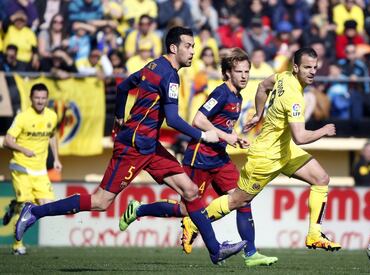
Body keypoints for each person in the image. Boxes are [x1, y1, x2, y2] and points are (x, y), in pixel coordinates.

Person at [14, 27, 246, 265]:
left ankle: (215, 249)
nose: (193, 51)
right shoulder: (170, 76)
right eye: (188, 46)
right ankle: (34, 212)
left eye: (194, 46)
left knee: (189, 191)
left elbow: (124, 86)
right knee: (100, 202)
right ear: (174, 48)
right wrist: (203, 135)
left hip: (149, 145)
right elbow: (173, 119)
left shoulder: (152, 66)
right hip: (133, 146)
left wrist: (119, 116)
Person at [119, 48, 278, 267]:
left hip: (219, 158)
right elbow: (198, 119)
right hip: (200, 157)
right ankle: (138, 210)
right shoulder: (221, 93)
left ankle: (251, 253)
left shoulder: (238, 96)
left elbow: (220, 125)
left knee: (243, 198)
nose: (244, 75)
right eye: (239, 71)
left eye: (247, 71)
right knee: (186, 209)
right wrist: (225, 136)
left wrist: (234, 138)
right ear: (227, 74)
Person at [182, 47, 342, 252]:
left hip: (284, 150)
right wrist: (324, 130)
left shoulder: (283, 77)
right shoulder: (294, 97)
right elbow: (300, 137)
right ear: (295, 68)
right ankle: (194, 222)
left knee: (321, 179)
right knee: (238, 200)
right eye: (306, 67)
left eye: (314, 67)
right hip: (267, 156)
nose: (312, 71)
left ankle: (314, 234)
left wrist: (259, 114)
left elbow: (262, 86)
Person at [2, 83, 62, 255]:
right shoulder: (23, 117)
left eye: (43, 98)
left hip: (40, 171)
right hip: (21, 167)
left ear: (47, 99)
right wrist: (23, 150)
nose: (40, 101)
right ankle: (17, 245)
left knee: (46, 207)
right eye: (37, 98)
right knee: (25, 207)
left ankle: (13, 206)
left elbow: (52, 137)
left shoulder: (51, 115)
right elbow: (7, 141)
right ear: (31, 98)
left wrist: (57, 159)